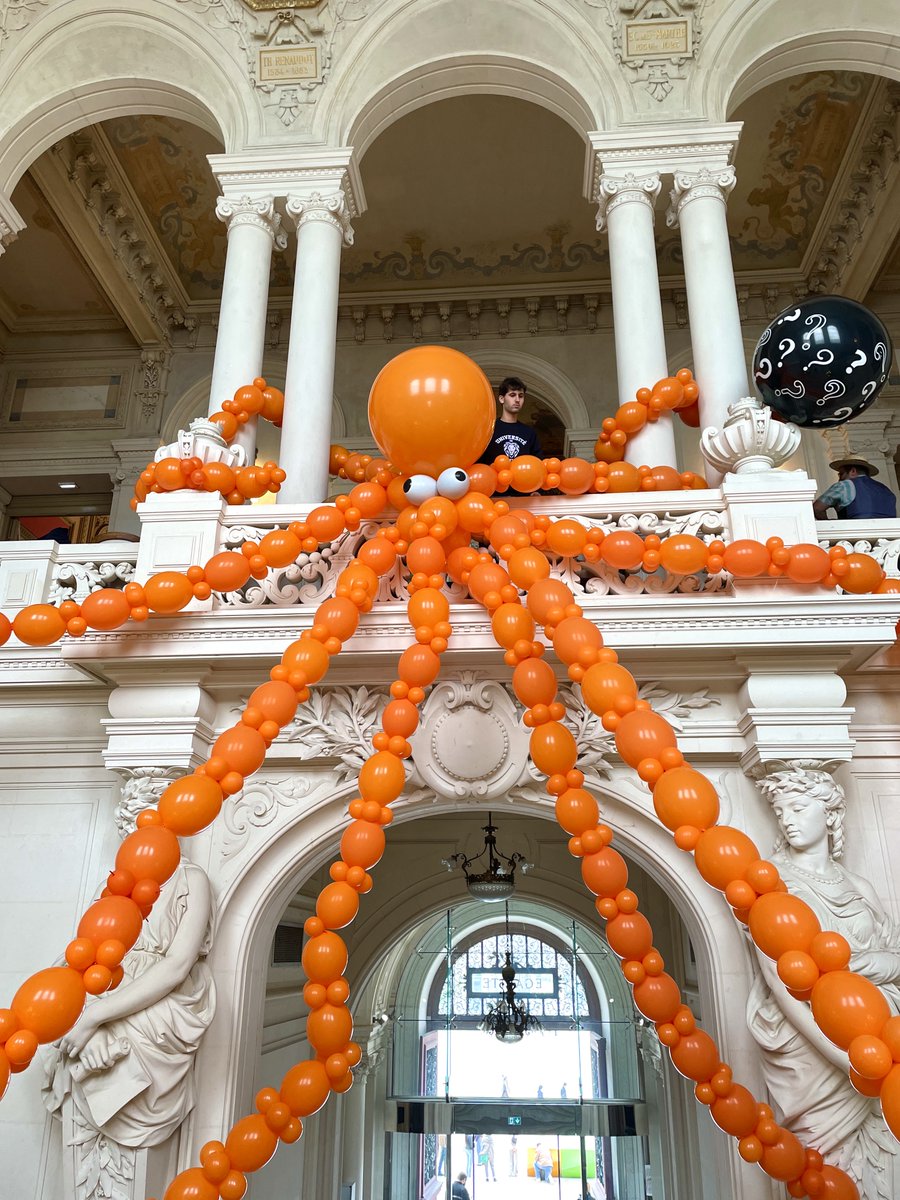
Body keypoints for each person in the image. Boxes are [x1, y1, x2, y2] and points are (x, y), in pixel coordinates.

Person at [747, 768, 900, 1200]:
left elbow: (895, 957)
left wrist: (875, 965)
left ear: (830, 814)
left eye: (798, 808)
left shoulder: (859, 886)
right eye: (780, 811)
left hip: (880, 1038)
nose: (787, 820)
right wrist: (846, 1057)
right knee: (819, 1160)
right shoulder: (771, 885)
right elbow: (782, 987)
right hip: (814, 1053)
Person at [479, 376, 541, 467]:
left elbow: (538, 464)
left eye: (521, 396)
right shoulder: (489, 430)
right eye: (512, 395)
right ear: (501, 399)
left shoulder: (529, 433)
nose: (517, 400)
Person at [813, 455, 896, 520]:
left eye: (841, 474)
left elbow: (817, 508)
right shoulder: (887, 490)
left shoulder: (845, 485)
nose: (839, 479)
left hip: (856, 538)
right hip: (891, 539)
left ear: (853, 471)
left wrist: (830, 524)